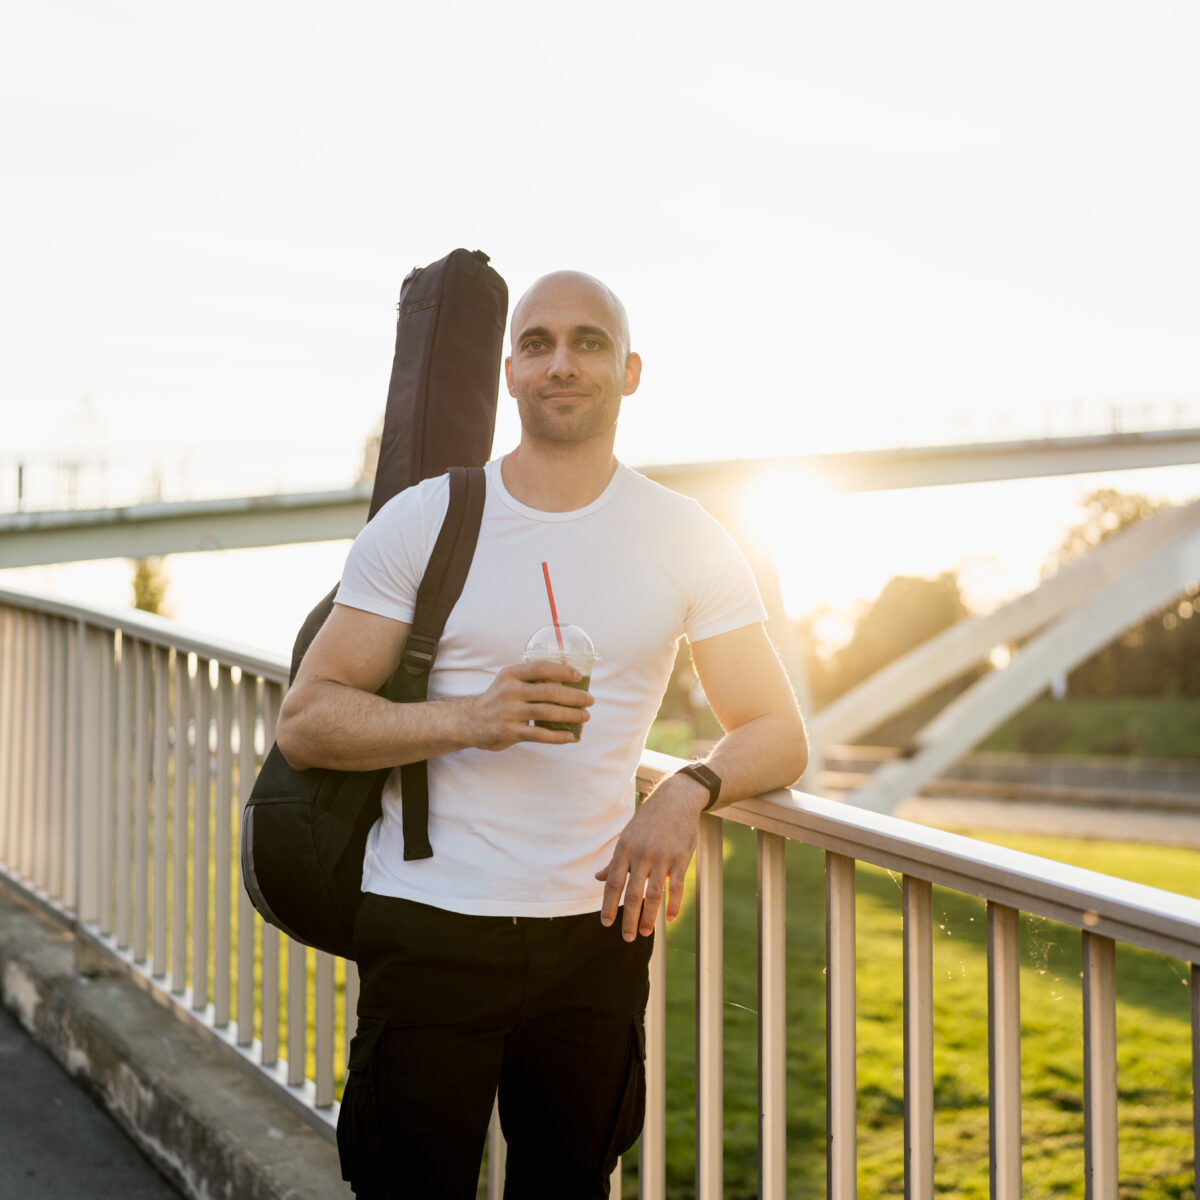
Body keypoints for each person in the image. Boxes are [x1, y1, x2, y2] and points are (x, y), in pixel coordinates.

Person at [276, 270, 808, 1198]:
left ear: (630, 371)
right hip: (430, 925)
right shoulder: (429, 519)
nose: (562, 363)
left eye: (589, 342)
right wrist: (473, 717)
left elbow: (776, 729)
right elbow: (309, 722)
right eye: (538, 344)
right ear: (511, 374)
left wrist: (686, 789)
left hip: (596, 936)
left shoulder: (687, 536)